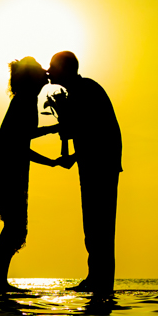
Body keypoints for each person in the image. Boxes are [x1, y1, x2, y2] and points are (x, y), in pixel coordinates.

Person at [0, 57, 63, 295]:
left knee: (13, 225)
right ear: (31, 78)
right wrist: (52, 162)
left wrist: (53, 129)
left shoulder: (27, 99)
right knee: (13, 224)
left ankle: (0, 282)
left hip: (5, 159)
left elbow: (25, 134)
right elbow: (18, 144)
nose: (46, 73)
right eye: (41, 71)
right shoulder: (25, 100)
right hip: (4, 161)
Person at [46, 51, 122, 296]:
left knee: (101, 226)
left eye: (52, 67)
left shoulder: (86, 90)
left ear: (65, 70)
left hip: (101, 166)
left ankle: (102, 284)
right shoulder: (77, 91)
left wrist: (74, 154)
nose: (48, 71)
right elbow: (81, 130)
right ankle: (95, 279)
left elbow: (96, 131)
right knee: (93, 225)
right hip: (92, 164)